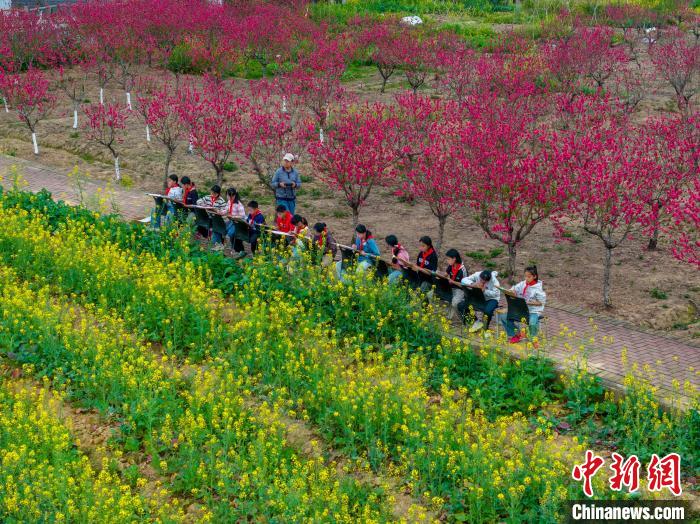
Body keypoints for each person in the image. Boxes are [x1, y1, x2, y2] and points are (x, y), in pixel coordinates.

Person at [500, 265, 547, 344]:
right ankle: (517, 334)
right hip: (521, 309)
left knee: (532, 323)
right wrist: (512, 291)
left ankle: (533, 339)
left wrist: (528, 302)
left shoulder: (538, 289)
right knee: (504, 317)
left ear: (534, 276)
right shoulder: (523, 283)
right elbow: (514, 288)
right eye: (525, 276)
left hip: (533, 311)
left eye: (529, 277)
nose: (526, 279)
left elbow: (541, 303)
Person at [216, 187, 245, 256]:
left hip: (237, 223)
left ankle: (236, 249)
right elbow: (226, 210)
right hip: (231, 221)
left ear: (233, 196)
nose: (227, 197)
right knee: (221, 229)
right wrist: (220, 212)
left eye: (228, 195)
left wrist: (234, 217)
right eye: (227, 195)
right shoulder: (229, 202)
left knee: (231, 233)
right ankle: (221, 246)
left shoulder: (238, 204)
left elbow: (243, 216)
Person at [444, 248, 467, 320]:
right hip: (451, 287)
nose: (447, 261)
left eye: (448, 259)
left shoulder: (462, 269)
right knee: (441, 295)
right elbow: (445, 274)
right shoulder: (451, 266)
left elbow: (464, 285)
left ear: (454, 259)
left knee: (455, 303)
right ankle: (448, 316)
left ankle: (463, 319)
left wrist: (452, 281)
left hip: (460, 290)